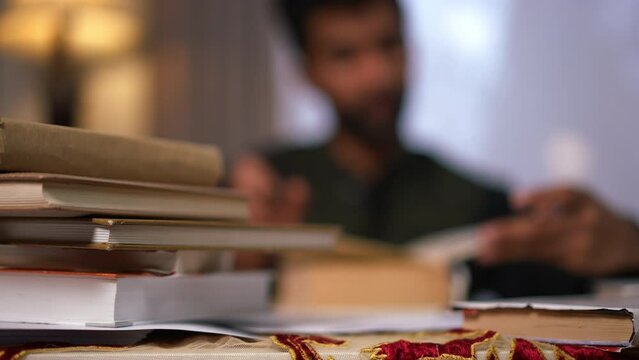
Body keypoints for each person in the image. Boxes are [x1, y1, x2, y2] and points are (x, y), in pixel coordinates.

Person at [231, 0, 639, 298]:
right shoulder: (260, 190)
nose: (378, 76)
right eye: (345, 55)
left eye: (389, 44)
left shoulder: (480, 202)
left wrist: (627, 249)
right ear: (308, 72)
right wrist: (238, 261)